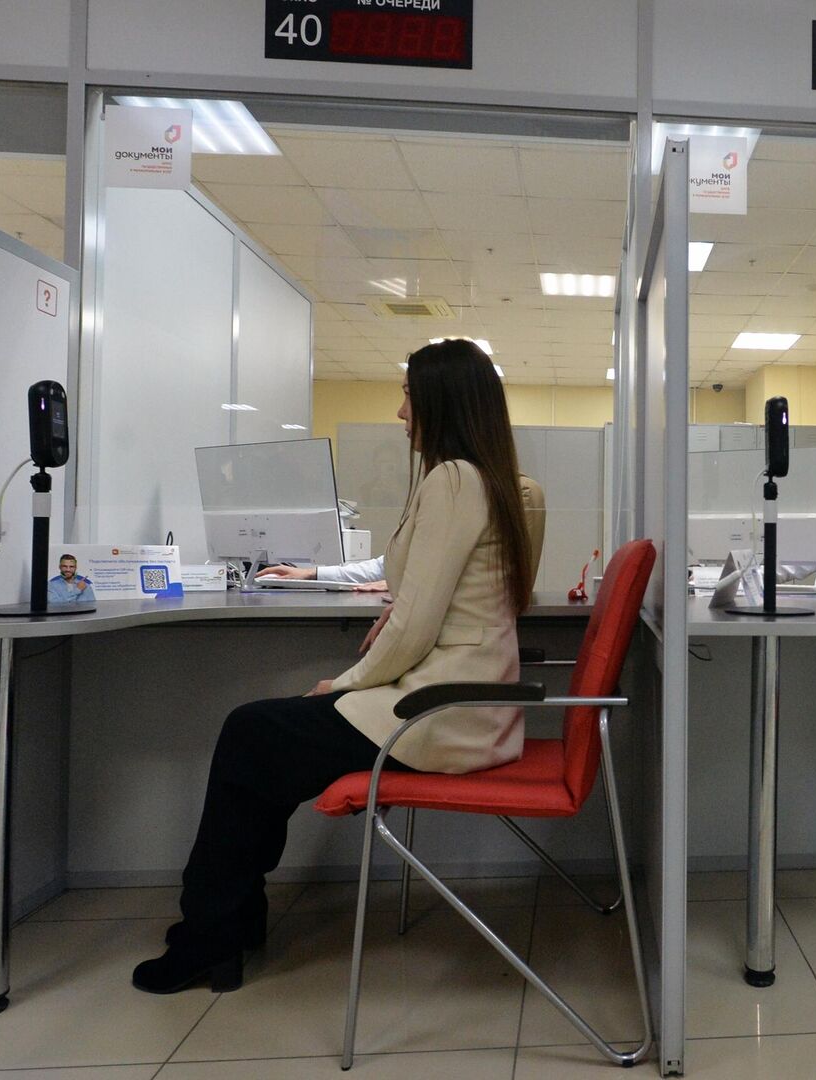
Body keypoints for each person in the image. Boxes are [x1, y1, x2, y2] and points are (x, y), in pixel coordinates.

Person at [134, 338, 534, 994]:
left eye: (408, 397)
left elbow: (415, 628)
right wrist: (392, 615)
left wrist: (341, 686)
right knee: (260, 745)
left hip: (439, 711)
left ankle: (211, 935)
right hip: (455, 704)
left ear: (441, 401)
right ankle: (228, 923)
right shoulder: (476, 479)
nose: (400, 413)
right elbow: (430, 601)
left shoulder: (454, 480)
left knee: (249, 734)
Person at [256, 473, 547, 593]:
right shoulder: (446, 488)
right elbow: (389, 565)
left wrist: (401, 586)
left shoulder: (467, 494)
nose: (401, 413)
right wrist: (313, 574)